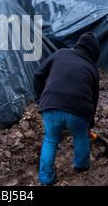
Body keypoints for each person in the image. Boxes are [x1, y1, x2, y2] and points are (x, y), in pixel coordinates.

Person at [34, 32, 100, 185]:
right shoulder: (91, 68)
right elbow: (94, 100)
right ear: (93, 52)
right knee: (81, 136)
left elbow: (38, 74)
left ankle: (45, 178)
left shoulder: (60, 53)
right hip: (79, 111)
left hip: (51, 105)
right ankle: (81, 166)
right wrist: (89, 124)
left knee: (50, 140)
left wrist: (40, 99)